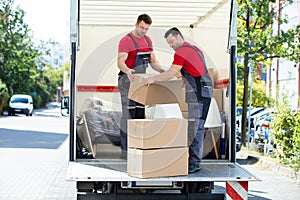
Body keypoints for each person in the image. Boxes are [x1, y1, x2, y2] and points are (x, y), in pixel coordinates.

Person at [144, 27, 212, 173]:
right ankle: (193, 160)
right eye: (169, 44)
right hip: (203, 92)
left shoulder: (183, 51)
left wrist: (152, 78)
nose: (172, 45)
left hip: (198, 93)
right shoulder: (194, 49)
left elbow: (171, 72)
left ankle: (194, 163)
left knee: (195, 127)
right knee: (196, 126)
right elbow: (185, 72)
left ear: (180, 37)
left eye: (172, 42)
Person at [117, 14, 164, 154]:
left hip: (141, 81)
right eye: (142, 27)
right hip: (127, 80)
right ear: (136, 24)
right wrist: (127, 70)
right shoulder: (126, 41)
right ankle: (126, 151)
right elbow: (120, 62)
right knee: (128, 114)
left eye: (147, 29)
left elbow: (153, 61)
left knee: (140, 113)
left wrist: (163, 70)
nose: (144, 31)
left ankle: (137, 148)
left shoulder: (147, 40)